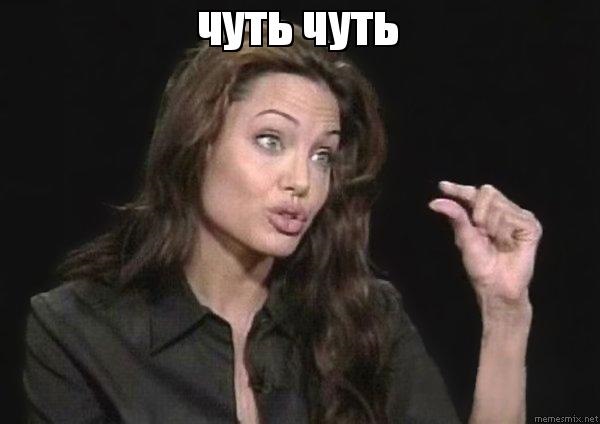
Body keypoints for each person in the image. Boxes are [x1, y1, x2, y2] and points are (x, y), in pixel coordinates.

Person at [23, 24, 543, 424]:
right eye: (270, 141)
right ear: (198, 146)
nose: (302, 181)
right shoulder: (77, 331)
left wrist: (505, 314)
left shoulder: (365, 318)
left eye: (322, 156)